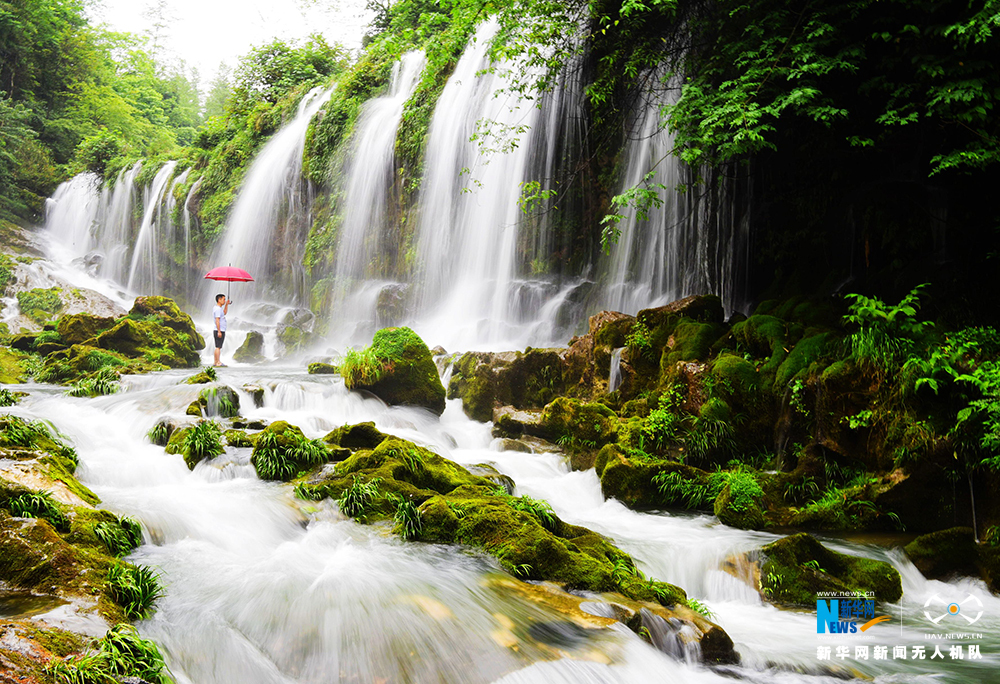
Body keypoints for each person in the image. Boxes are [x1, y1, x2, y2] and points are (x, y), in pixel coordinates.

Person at [212, 294, 231, 367]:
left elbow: (224, 313)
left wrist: (226, 305)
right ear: (219, 300)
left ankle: (215, 362)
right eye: (223, 299)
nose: (224, 300)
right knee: (218, 347)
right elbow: (217, 320)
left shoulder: (218, 308)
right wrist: (219, 331)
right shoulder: (217, 309)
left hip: (219, 330)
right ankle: (218, 362)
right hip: (219, 330)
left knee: (218, 346)